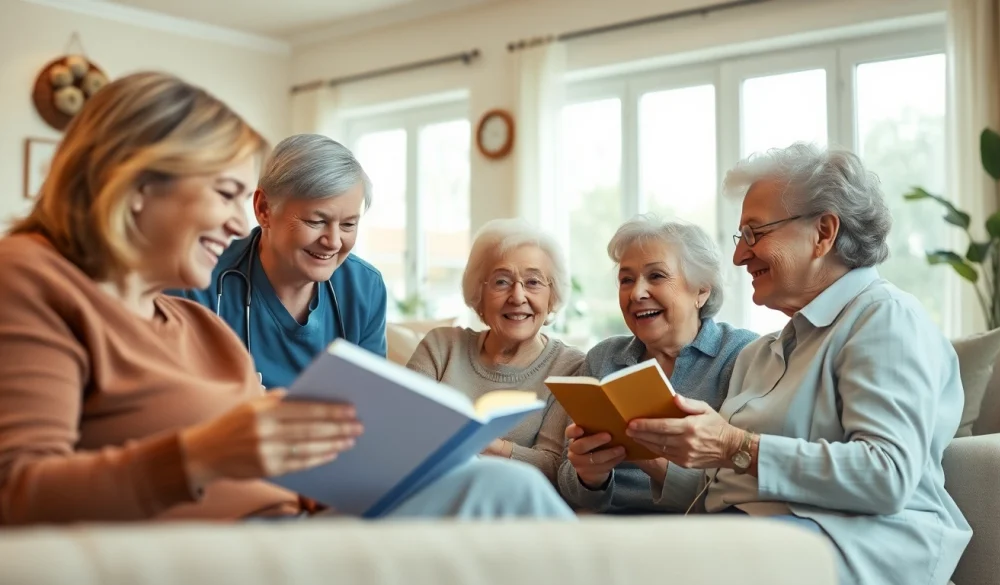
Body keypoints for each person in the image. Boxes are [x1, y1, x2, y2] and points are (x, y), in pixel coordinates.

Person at [0, 71, 573, 525]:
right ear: (135, 186)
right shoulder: (36, 280)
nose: (233, 224)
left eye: (348, 223)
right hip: (249, 536)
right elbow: (17, 489)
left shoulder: (184, 322)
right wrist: (203, 454)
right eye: (224, 193)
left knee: (506, 484)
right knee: (505, 490)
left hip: (308, 509)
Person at [622, 143, 971, 585]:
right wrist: (651, 455)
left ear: (823, 232)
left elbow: (887, 475)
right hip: (764, 538)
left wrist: (735, 445)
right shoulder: (759, 354)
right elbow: (733, 491)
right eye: (740, 238)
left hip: (858, 543)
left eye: (755, 233)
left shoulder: (884, 318)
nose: (738, 256)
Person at [557, 215, 758, 513]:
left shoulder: (743, 354)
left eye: (657, 276)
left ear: (702, 290)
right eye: (626, 280)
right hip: (603, 530)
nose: (637, 293)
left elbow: (741, 488)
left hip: (695, 534)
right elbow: (570, 483)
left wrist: (647, 457)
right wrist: (590, 477)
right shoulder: (603, 358)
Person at [166, 133, 386, 389]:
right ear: (264, 209)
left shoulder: (365, 287)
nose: (334, 242)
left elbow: (371, 401)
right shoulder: (196, 282)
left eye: (349, 224)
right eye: (316, 222)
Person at [406, 219, 584, 483]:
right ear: (479, 293)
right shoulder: (441, 346)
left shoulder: (569, 367)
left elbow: (554, 466)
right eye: (502, 282)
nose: (518, 296)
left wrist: (484, 443)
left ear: (552, 296)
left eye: (533, 282)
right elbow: (399, 426)